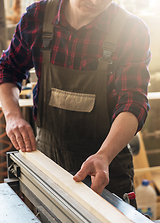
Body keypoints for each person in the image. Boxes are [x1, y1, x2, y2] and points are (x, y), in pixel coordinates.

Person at [0, 0, 151, 207]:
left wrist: (104, 155)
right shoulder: (38, 16)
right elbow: (8, 69)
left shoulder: (130, 30)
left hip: (105, 168)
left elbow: (133, 101)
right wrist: (12, 117)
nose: (96, 2)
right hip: (47, 162)